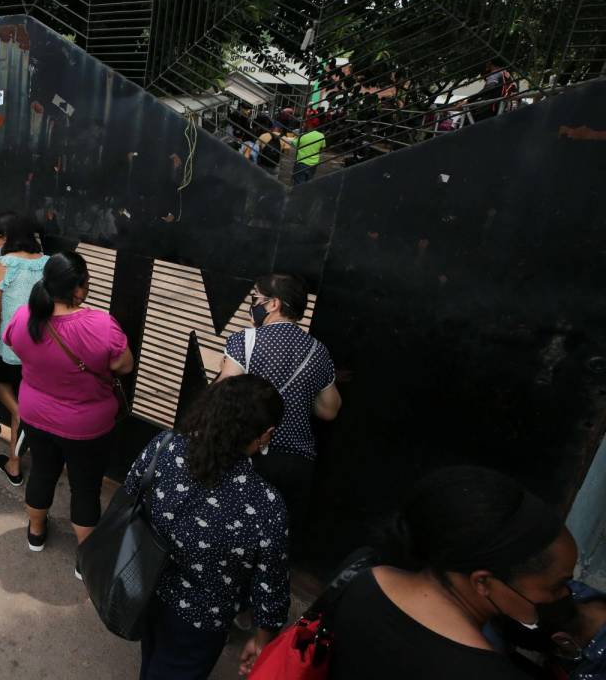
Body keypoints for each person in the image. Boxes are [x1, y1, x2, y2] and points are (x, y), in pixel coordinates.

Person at [327, 465, 579, 680]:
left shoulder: (360, 574)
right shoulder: (486, 673)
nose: (564, 595)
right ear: (482, 582)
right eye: (555, 586)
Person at [127, 375, 290, 679]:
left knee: (150, 654)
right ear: (265, 435)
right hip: (200, 621)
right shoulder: (266, 504)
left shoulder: (163, 447)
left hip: (142, 586)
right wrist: (263, 636)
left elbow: (130, 492)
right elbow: (271, 585)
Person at [2, 250, 133, 555]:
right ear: (78, 289)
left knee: (43, 473)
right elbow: (124, 366)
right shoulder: (101, 325)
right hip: (86, 426)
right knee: (85, 488)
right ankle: (85, 557)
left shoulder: (24, 316)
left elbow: (12, 343)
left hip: (35, 415)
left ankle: (35, 533)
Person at [216, 273, 339, 543]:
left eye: (255, 298)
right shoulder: (318, 351)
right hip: (297, 462)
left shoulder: (244, 342)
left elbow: (224, 397)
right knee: (277, 540)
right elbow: (329, 410)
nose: (252, 304)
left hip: (249, 453)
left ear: (273, 304)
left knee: (232, 535)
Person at [0, 212, 47, 484]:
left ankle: (19, 419)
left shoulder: (0, 264)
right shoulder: (48, 263)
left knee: (8, 392)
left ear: (6, 237)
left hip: (9, 347)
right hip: (41, 348)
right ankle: (14, 464)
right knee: (27, 396)